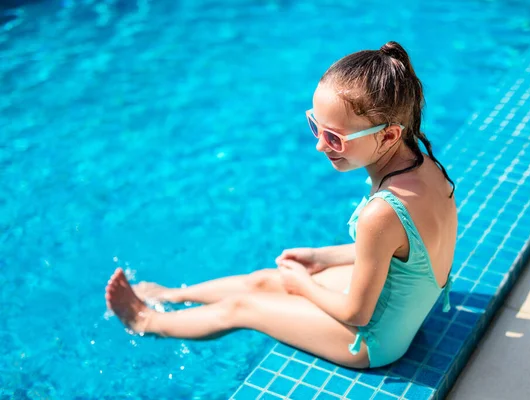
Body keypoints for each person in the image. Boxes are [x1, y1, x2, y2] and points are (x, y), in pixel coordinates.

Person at [105, 40, 457, 369]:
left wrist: (303, 285)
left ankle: (146, 320)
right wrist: (322, 257)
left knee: (244, 307)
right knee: (262, 281)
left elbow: (357, 313)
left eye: (334, 137)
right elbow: (403, 251)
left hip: (374, 341)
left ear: (389, 135)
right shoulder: (426, 168)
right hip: (407, 304)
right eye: (315, 127)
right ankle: (171, 294)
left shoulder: (382, 211)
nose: (320, 145)